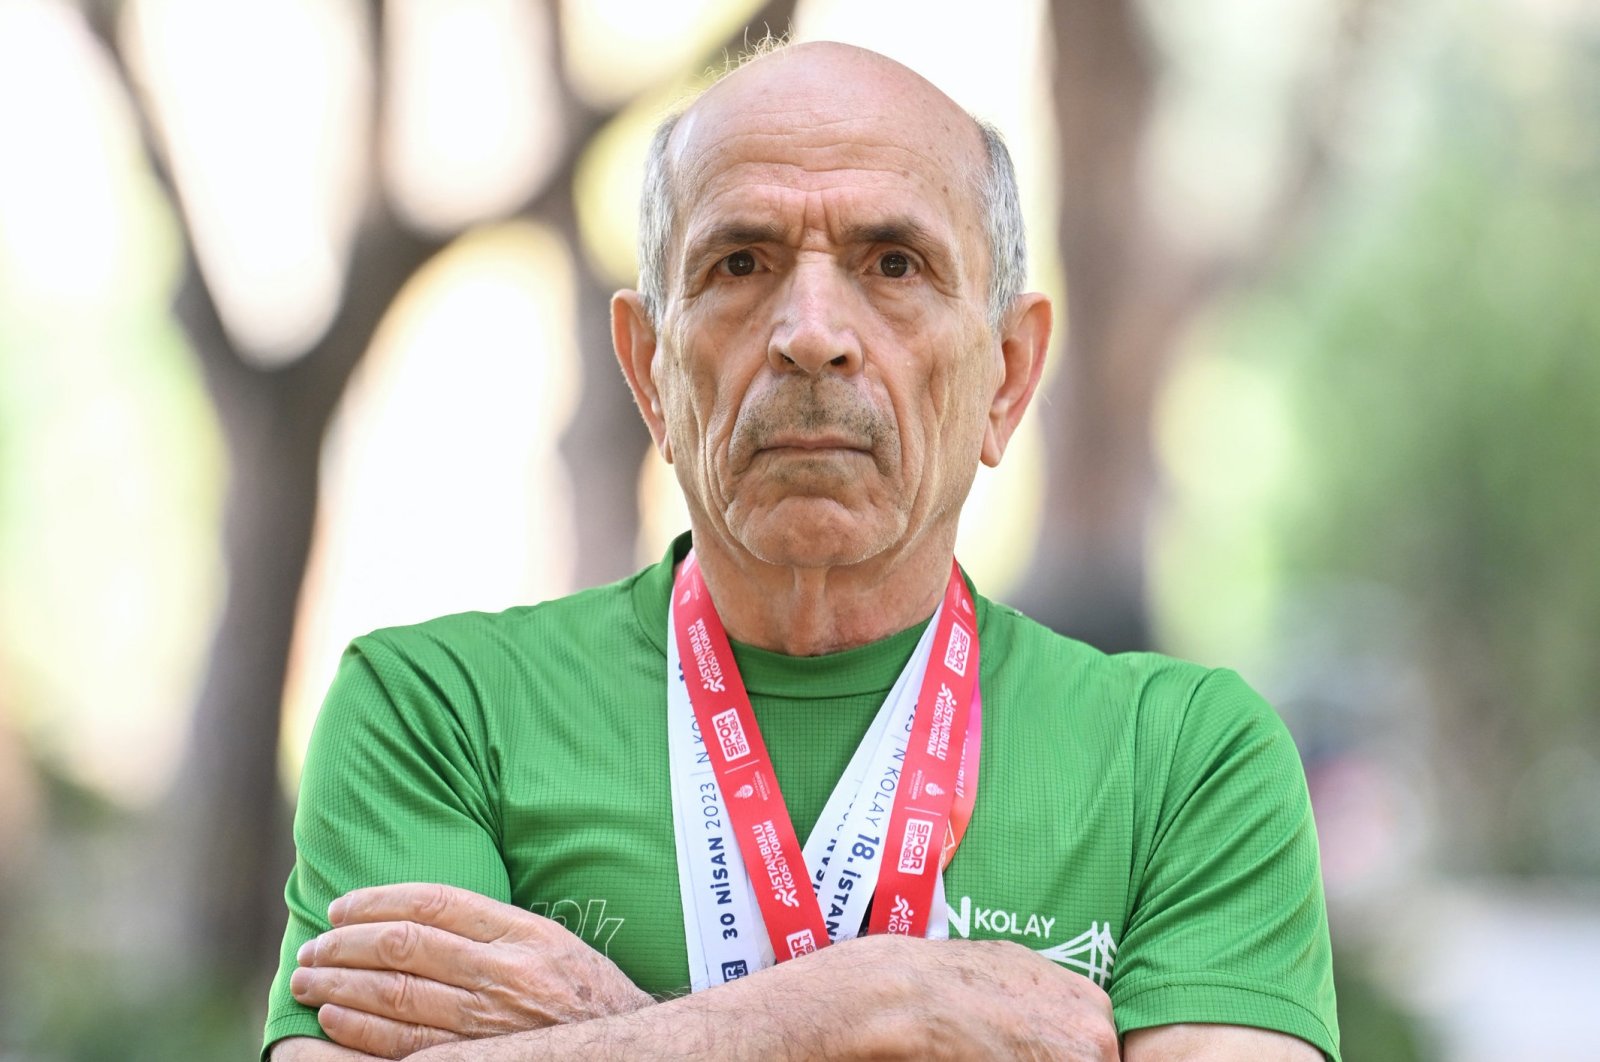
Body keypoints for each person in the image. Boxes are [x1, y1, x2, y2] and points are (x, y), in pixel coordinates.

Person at [264, 41, 1339, 1062]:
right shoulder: (435, 713)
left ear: (1008, 376)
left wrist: (607, 1029)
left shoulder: (1186, 762)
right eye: (741, 261)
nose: (810, 332)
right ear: (648, 374)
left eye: (894, 263)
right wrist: (868, 1007)